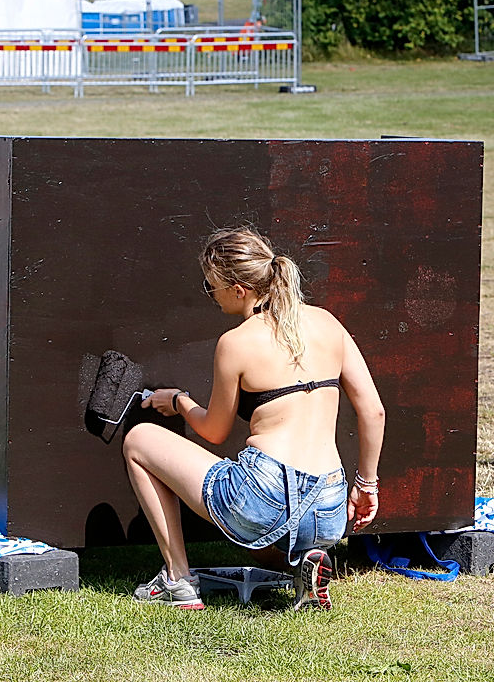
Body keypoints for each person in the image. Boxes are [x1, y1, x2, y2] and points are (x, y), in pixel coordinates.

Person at [123, 226, 386, 609]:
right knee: (263, 536)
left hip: (261, 495)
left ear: (239, 290)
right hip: (329, 508)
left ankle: (178, 580)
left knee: (139, 441)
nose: (211, 295)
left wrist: (179, 401)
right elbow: (374, 411)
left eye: (211, 286)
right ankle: (304, 567)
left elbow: (214, 431)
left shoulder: (237, 342)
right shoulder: (327, 322)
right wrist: (367, 485)